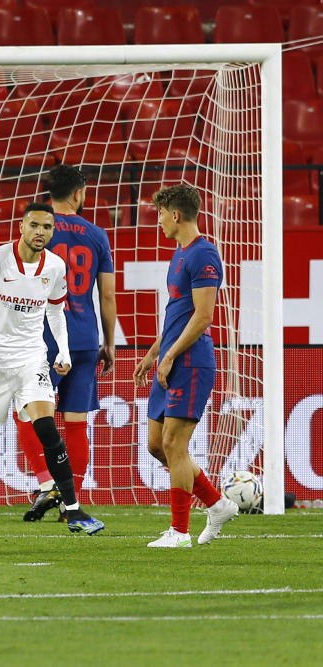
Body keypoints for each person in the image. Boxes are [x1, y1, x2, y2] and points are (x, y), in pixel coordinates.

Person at [0, 203, 105, 535]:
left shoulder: (56, 267)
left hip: (32, 358)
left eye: (47, 227)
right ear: (21, 226)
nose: (40, 232)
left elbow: (56, 312)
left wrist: (62, 349)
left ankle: (73, 511)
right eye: (34, 225)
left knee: (46, 426)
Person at [133, 185, 239, 548]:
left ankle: (179, 532)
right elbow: (177, 314)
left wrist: (171, 355)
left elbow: (203, 317)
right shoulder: (179, 253)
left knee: (174, 444)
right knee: (155, 445)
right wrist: (154, 351)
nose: (159, 220)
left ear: (175, 215)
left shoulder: (204, 254)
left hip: (191, 362)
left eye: (161, 214)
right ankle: (217, 503)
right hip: (171, 356)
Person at [18, 165, 117, 522]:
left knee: (27, 413)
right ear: (79, 193)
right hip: (86, 338)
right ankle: (68, 501)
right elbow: (106, 294)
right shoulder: (97, 235)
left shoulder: (38, 230)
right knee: (76, 421)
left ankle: (47, 483)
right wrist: (109, 341)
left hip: (41, 337)